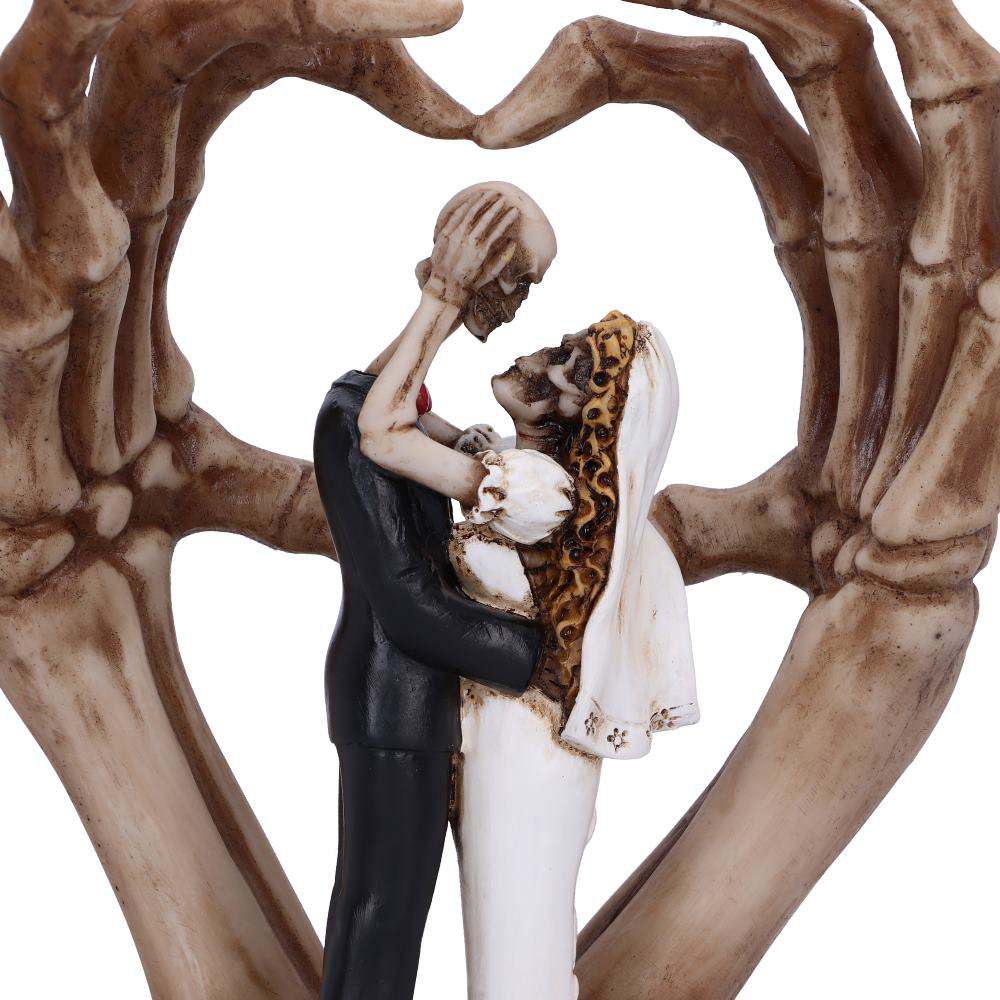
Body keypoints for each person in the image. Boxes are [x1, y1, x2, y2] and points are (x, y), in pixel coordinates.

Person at [361, 240, 698, 996]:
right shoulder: (514, 468)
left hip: (525, 750)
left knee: (515, 953)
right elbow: (407, 409)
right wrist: (432, 313)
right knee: (506, 941)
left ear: (584, 417)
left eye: (570, 367)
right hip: (497, 732)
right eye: (565, 345)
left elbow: (378, 430)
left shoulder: (536, 492)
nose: (540, 357)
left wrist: (444, 300)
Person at [313, 181, 567, 1000]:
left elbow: (414, 424)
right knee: (383, 911)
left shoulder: (401, 414)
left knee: (375, 906)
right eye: (517, 278)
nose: (521, 304)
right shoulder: (358, 424)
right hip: (395, 701)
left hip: (402, 701)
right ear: (478, 264)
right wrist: (545, 655)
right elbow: (409, 607)